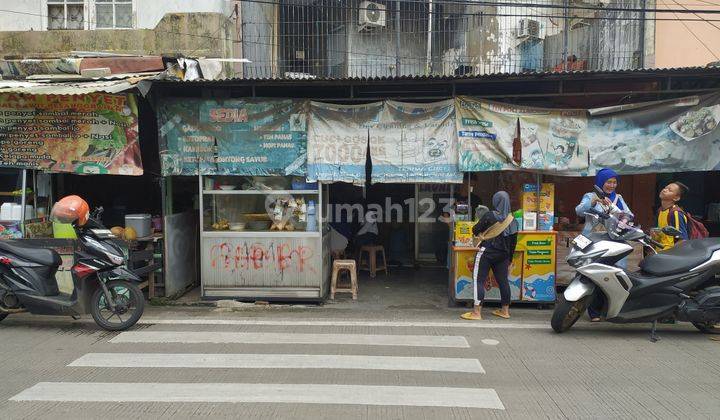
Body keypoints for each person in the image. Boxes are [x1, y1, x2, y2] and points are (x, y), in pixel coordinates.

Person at [575, 168, 633, 322]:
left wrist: (623, 219)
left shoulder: (618, 198)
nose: (612, 185)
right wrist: (594, 202)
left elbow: (629, 215)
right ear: (601, 182)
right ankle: (583, 308)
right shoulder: (590, 196)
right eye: (609, 182)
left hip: (612, 242)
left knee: (612, 274)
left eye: (614, 182)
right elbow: (579, 211)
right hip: (591, 241)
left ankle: (606, 309)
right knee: (587, 272)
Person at [460, 191, 519, 321]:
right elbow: (513, 242)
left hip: (486, 252)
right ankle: (505, 311)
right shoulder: (513, 220)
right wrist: (509, 259)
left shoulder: (490, 216)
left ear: (496, 201)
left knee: (479, 280)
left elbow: (475, 230)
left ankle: (476, 312)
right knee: (503, 281)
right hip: (503, 255)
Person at [652, 182, 690, 251]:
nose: (664, 190)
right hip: (659, 253)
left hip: (668, 255)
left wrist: (671, 255)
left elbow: (682, 240)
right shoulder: (660, 210)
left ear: (676, 198)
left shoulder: (676, 213)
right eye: (665, 188)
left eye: (669, 190)